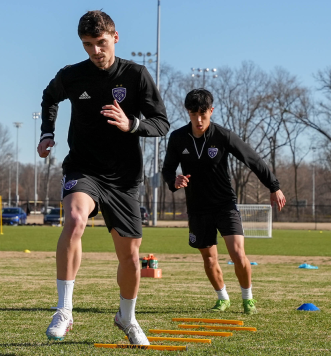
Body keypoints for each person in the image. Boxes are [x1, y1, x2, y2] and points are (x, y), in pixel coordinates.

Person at [37, 11, 169, 345]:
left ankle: (126, 317)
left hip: (124, 179)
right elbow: (49, 96)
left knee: (129, 258)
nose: (95, 51)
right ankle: (64, 311)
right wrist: (47, 132)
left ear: (115, 37)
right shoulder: (72, 76)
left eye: (101, 43)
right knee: (74, 219)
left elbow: (161, 123)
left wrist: (132, 125)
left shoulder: (136, 75)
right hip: (84, 168)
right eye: (88, 45)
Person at [161, 89, 286, 314]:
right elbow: (168, 169)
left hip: (224, 205)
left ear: (211, 111)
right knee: (209, 259)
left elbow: (253, 160)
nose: (198, 120)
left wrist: (274, 187)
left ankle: (248, 299)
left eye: (203, 114)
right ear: (187, 112)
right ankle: (222, 298)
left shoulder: (223, 136)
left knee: (238, 254)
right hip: (197, 208)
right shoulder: (178, 138)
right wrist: (174, 180)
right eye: (193, 114)